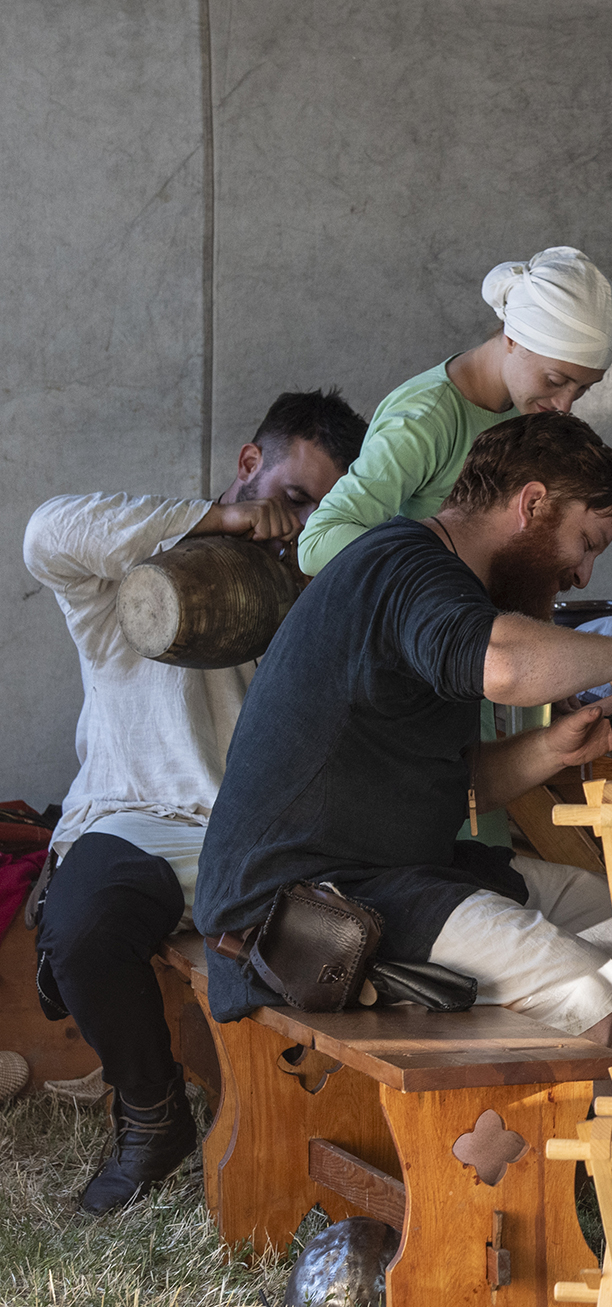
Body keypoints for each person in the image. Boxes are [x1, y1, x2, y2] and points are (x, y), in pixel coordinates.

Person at [194, 411, 612, 1256]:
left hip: (391, 869)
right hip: (307, 909)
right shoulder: (407, 566)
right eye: (586, 539)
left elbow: (441, 782)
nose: (583, 570)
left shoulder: (427, 579)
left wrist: (549, 747)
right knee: (587, 992)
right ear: (531, 505)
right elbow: (501, 662)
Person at [24, 389, 368, 1213]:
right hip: (138, 821)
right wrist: (214, 521)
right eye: (293, 500)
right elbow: (45, 533)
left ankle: (328, 1131)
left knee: (368, 933)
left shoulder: (323, 589)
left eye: (325, 511)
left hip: (259, 841)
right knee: (81, 928)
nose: (301, 526)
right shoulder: (132, 579)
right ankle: (151, 1119)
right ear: (251, 464)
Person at [296, 246, 612, 838]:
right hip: (427, 689)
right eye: (556, 380)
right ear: (511, 337)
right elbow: (319, 542)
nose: (564, 405)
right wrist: (425, 578)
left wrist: (552, 695)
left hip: (485, 686)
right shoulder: (425, 419)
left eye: (583, 389)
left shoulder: (524, 417)